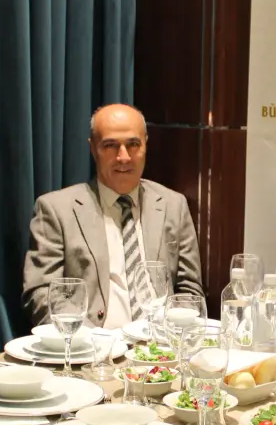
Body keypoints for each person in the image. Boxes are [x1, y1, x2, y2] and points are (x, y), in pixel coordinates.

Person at [22, 103, 204, 328]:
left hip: (159, 342)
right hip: (90, 343)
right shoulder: (56, 210)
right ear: (93, 148)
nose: (123, 157)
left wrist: (172, 334)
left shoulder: (173, 205)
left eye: (133, 144)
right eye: (110, 146)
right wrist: (91, 339)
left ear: (146, 145)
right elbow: (42, 293)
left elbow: (189, 290)